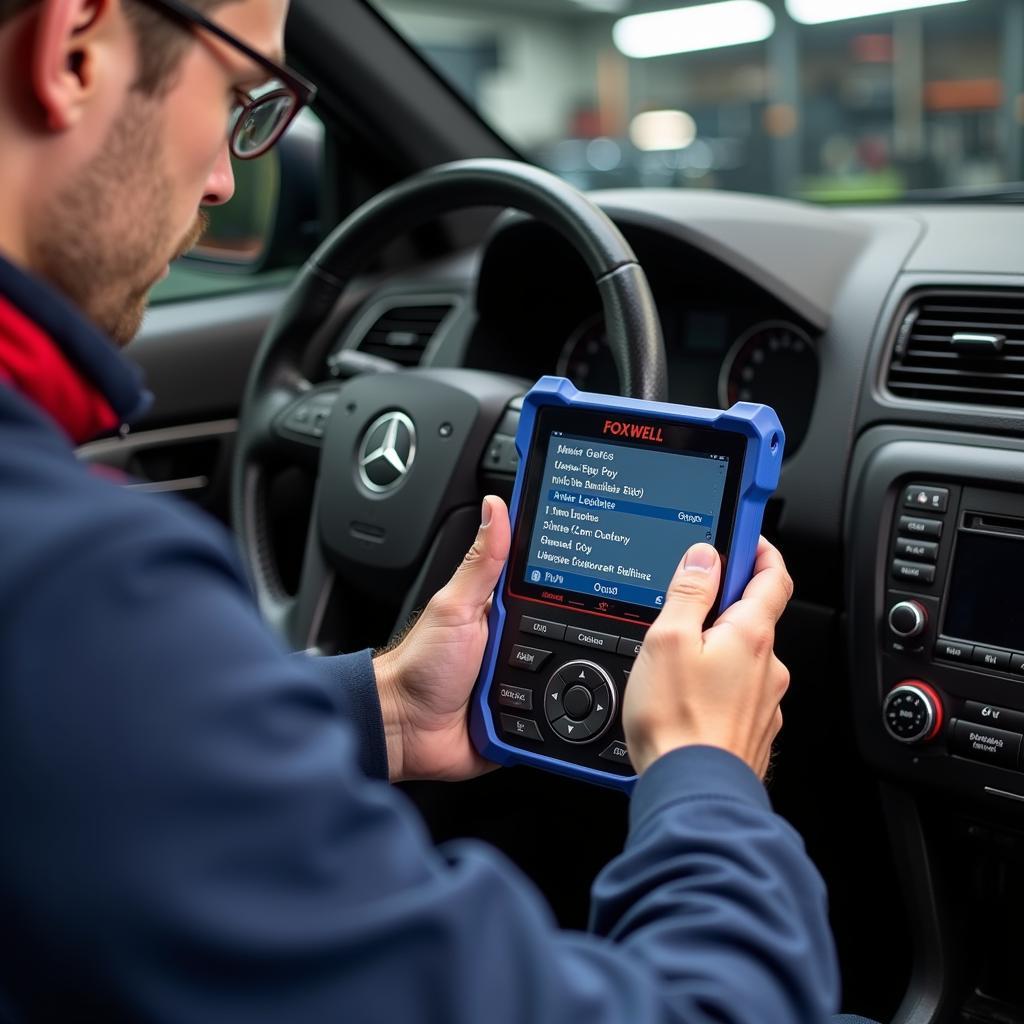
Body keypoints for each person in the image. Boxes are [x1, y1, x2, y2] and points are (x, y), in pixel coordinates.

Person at [0, 0, 845, 1020]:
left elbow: (105, 754)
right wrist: (707, 771)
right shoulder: (77, 592)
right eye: (236, 95)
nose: (227, 178)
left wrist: (387, 707)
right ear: (74, 50)